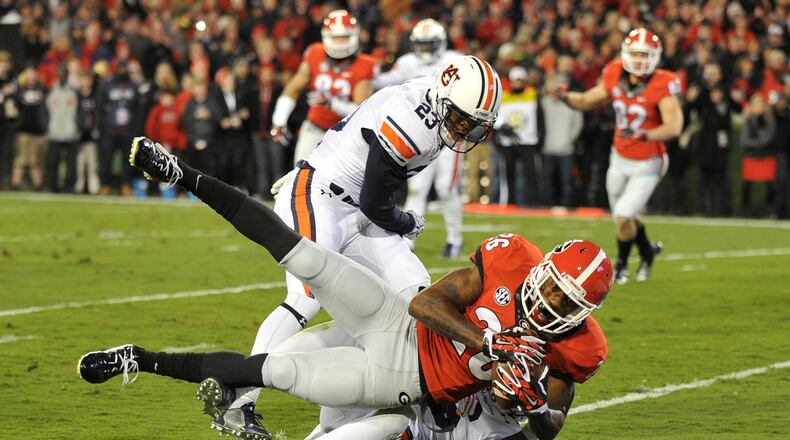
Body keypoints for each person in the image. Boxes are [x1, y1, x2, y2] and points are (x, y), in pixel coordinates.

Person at [78, 136, 612, 440]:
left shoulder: (579, 348)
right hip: (397, 321)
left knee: (271, 371)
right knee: (299, 252)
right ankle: (182, 173)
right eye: (552, 286)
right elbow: (426, 303)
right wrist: (487, 342)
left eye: (566, 301)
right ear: (543, 267)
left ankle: (140, 359)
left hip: (398, 381)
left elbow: (546, 428)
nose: (550, 301)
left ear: (583, 312)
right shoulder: (511, 256)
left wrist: (533, 407)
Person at [558, 28, 683, 284]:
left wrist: (646, 135)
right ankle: (647, 251)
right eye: (635, 54)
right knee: (624, 217)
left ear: (655, 57)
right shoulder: (614, 73)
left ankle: (622, 264)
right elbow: (587, 100)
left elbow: (674, 127)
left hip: (648, 161)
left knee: (624, 215)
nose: (639, 60)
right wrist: (565, 96)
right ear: (625, 54)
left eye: (645, 55)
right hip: (619, 157)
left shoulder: (663, 82)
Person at [374, 18, 467, 259]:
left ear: (441, 43)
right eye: (422, 44)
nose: (425, 49)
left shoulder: (455, 61)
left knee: (446, 188)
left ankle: (454, 239)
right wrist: (370, 69)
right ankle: (408, 242)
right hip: (423, 133)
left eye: (430, 44)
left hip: (452, 133)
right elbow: (382, 82)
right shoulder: (407, 63)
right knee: (417, 188)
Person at [270, 10, 376, 165]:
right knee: (301, 171)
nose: (339, 43)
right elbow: (293, 89)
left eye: (343, 37)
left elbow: (361, 111)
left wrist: (332, 104)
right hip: (315, 127)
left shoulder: (364, 64)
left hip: (347, 133)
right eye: (335, 37)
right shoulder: (315, 53)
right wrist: (279, 120)